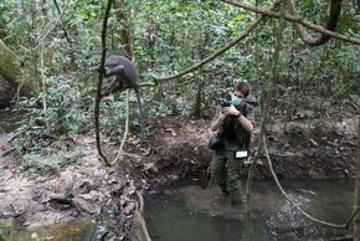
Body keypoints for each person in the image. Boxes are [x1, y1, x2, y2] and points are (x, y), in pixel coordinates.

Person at [210, 81, 255, 206]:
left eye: (240, 97)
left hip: (237, 147)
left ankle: (236, 206)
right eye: (235, 95)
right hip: (222, 144)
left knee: (232, 178)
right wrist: (221, 117)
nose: (236, 98)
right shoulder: (224, 106)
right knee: (216, 172)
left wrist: (237, 114)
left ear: (245, 98)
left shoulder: (248, 108)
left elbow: (250, 128)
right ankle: (226, 193)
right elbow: (213, 128)